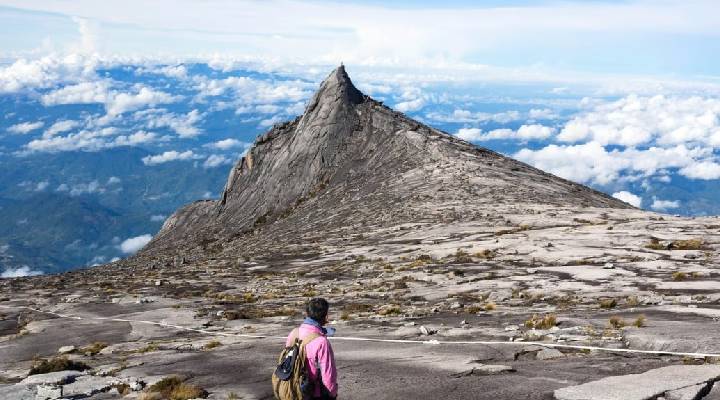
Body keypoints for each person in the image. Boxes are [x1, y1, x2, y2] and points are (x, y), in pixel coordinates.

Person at [285, 297, 338, 400]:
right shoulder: (321, 341)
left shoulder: (294, 333)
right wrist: (332, 393)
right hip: (314, 392)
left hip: (294, 389)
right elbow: (328, 374)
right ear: (326, 316)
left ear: (307, 313)